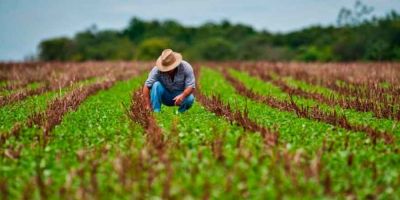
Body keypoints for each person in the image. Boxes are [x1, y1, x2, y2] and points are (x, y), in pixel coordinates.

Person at [143, 49, 195, 113]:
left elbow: (191, 86)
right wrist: (147, 105)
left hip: (180, 95)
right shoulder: (157, 70)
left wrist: (182, 96)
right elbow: (147, 86)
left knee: (190, 98)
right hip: (165, 96)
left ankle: (180, 113)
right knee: (156, 85)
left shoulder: (186, 67)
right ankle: (156, 111)